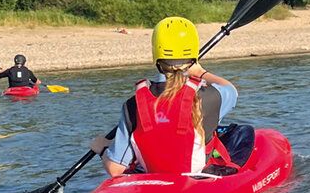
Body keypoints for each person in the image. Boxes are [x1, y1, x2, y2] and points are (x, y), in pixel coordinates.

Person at [93, 16, 240, 177]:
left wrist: (102, 148)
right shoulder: (210, 96)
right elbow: (231, 90)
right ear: (193, 57)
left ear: (156, 55)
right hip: (196, 177)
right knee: (242, 131)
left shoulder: (133, 105)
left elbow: (115, 169)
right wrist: (199, 71)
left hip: (152, 176)